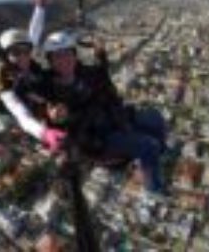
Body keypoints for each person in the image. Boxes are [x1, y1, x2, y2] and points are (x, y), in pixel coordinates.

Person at [41, 30, 167, 193]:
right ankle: (154, 189)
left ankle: (158, 157)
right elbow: (47, 119)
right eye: (57, 56)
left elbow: (101, 72)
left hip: (111, 119)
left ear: (74, 55)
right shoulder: (50, 90)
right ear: (50, 61)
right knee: (149, 146)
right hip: (96, 139)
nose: (64, 59)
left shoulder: (83, 73)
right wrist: (56, 118)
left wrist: (100, 52)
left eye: (67, 53)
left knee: (155, 117)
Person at [0, 0, 66, 152]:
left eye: (26, 51)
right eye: (15, 53)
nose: (23, 57)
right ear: (6, 55)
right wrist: (44, 133)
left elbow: (33, 34)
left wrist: (40, 7)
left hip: (31, 90)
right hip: (25, 104)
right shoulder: (4, 84)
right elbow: (22, 115)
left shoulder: (26, 59)